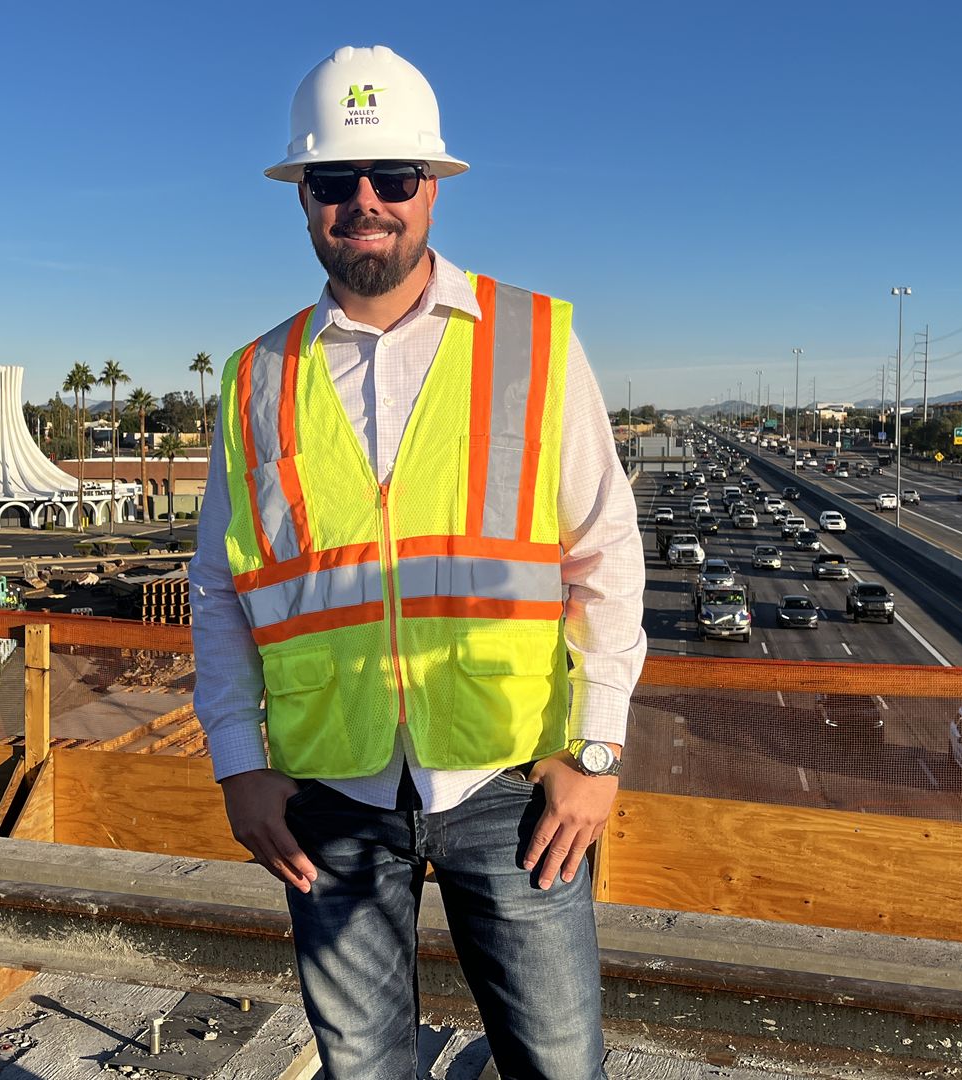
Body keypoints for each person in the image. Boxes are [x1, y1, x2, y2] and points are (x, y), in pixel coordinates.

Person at [189, 45, 646, 1080]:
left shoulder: (533, 339)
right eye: (334, 181)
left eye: (393, 177)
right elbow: (221, 585)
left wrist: (599, 756)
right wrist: (238, 762)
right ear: (303, 199)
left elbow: (605, 553)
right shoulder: (257, 377)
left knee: (561, 1065)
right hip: (329, 793)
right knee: (363, 1067)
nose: (365, 202)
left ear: (432, 189)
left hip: (513, 786)